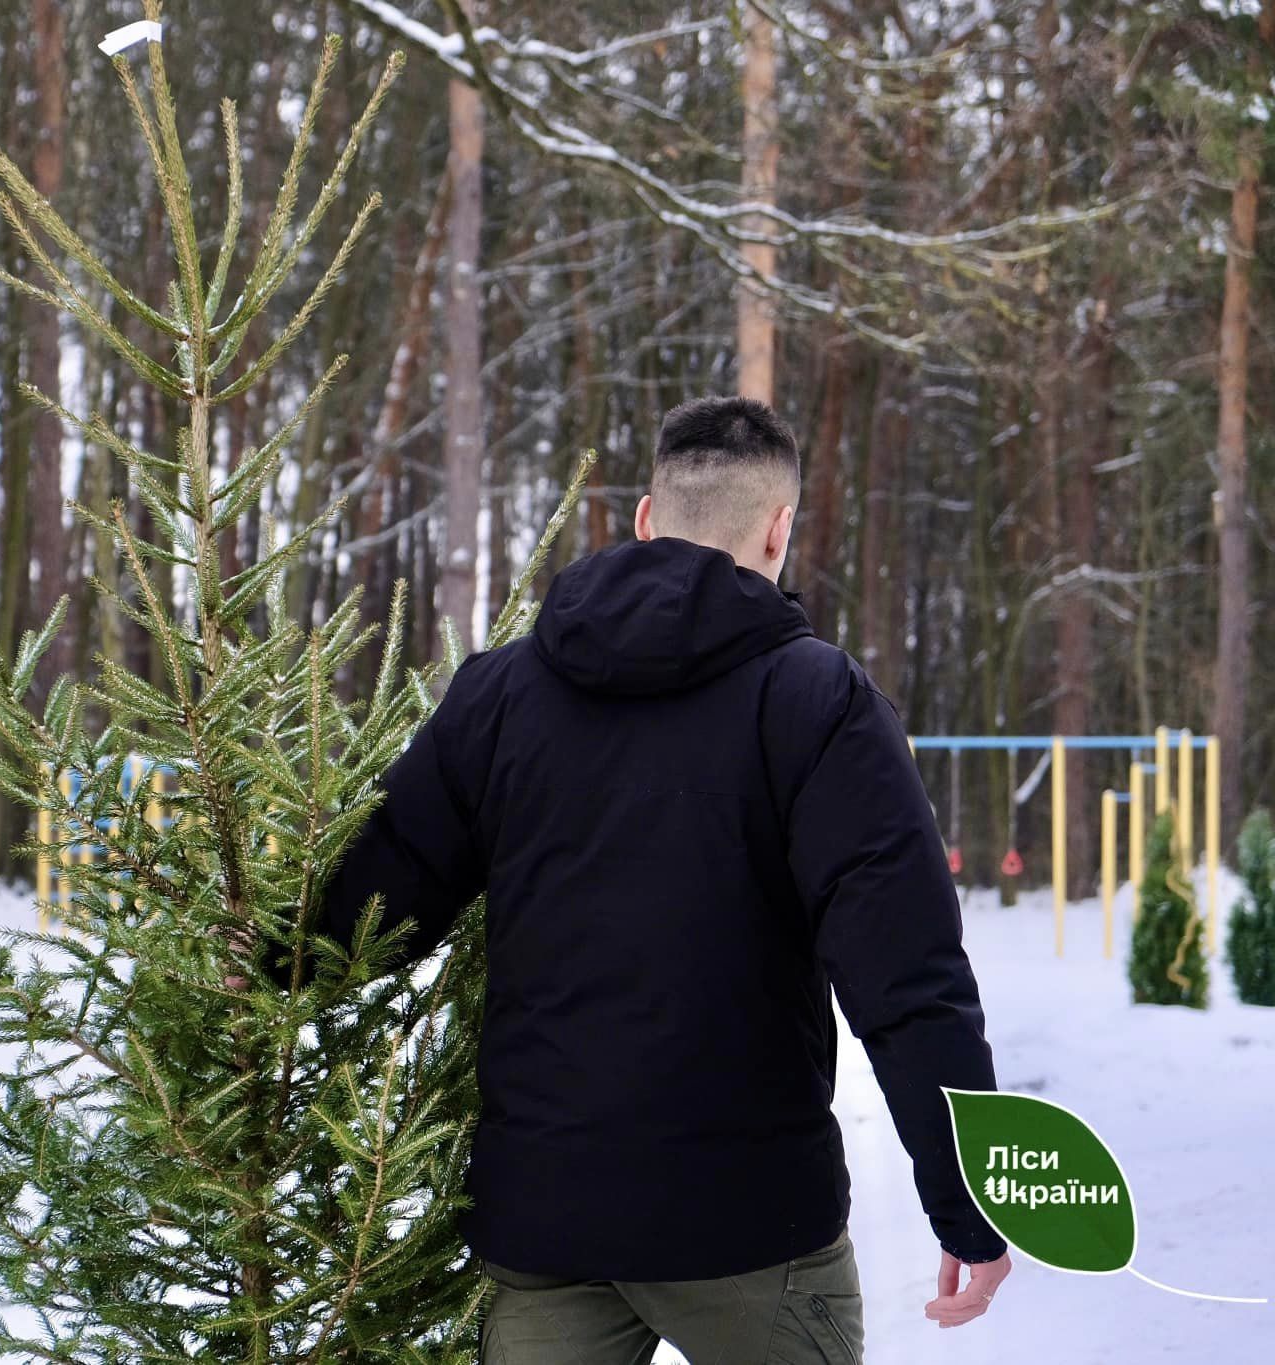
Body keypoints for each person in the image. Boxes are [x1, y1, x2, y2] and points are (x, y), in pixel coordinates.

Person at [285, 397, 1012, 1363]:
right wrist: (970, 1200)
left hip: (547, 1220)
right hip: (752, 1225)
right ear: (778, 529)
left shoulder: (498, 694)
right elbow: (906, 973)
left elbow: (379, 896)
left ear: (643, 517)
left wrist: (258, 965)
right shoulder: (819, 701)